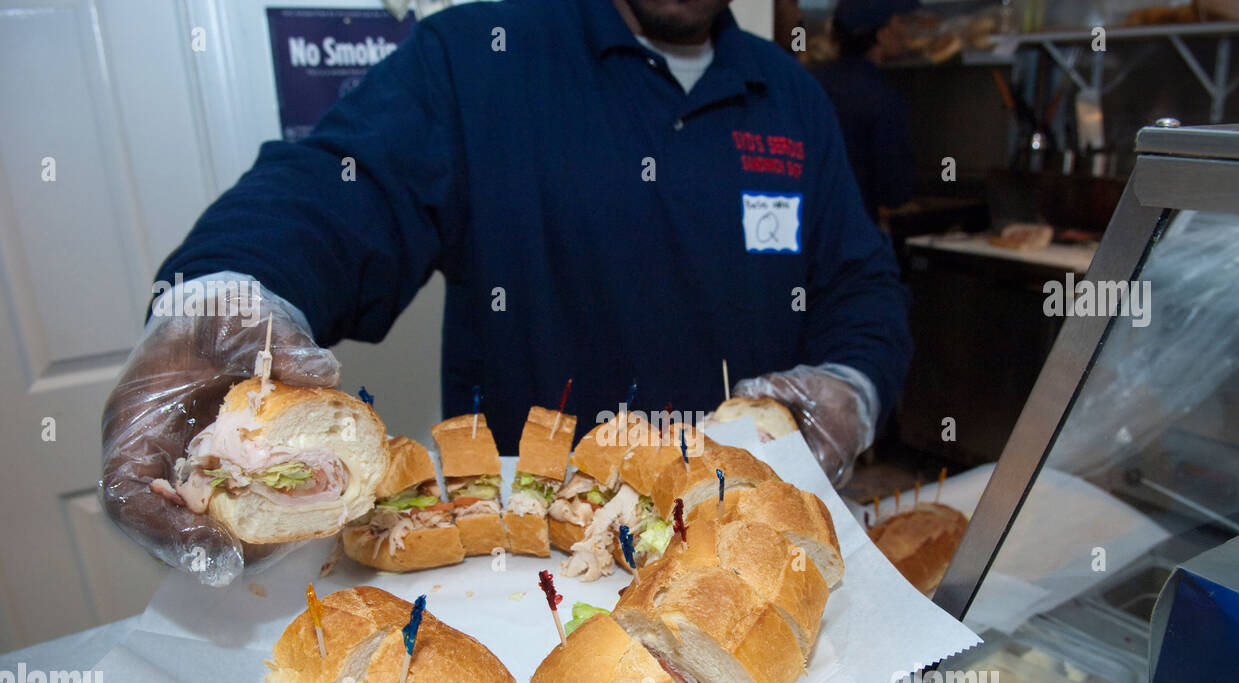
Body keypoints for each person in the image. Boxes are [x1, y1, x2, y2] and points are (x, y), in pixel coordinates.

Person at [101, 0, 912, 586]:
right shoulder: (476, 57)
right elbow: (338, 187)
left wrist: (851, 388)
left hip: (733, 561)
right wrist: (223, 293)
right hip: (519, 577)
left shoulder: (792, 96)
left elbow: (862, 286)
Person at [808, 0, 916, 224]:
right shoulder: (881, 98)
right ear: (880, 33)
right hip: (854, 236)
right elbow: (895, 192)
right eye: (901, 22)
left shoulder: (809, 83)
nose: (907, 32)